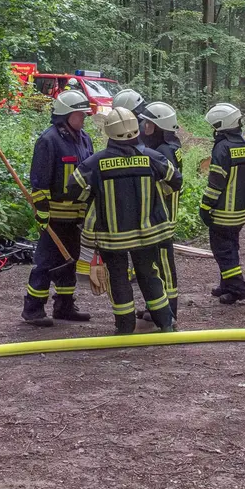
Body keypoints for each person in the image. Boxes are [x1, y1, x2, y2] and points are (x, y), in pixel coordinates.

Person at [73, 108, 180, 334]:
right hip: (148, 233)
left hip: (113, 238)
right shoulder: (153, 157)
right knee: (149, 274)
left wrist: (95, 196)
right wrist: (156, 191)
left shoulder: (95, 163)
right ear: (136, 130)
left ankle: (124, 327)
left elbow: (74, 190)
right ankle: (165, 323)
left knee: (118, 278)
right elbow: (175, 181)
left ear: (109, 133)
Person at [23, 89, 95, 326]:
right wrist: (42, 212)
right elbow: (40, 181)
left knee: (70, 261)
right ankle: (33, 309)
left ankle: (64, 306)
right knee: (45, 262)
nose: (84, 118)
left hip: (76, 216)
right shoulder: (49, 141)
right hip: (53, 217)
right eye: (80, 114)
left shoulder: (84, 139)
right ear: (66, 115)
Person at [199, 102, 245, 304]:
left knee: (223, 251)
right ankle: (225, 285)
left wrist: (205, 207)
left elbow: (215, 184)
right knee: (231, 246)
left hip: (223, 211)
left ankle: (237, 288)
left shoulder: (223, 148)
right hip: (240, 210)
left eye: (214, 126)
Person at [138, 101, 182, 318]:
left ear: (159, 127)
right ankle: (155, 306)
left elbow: (170, 184)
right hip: (160, 214)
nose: (145, 128)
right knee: (156, 263)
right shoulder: (169, 146)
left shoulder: (164, 151)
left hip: (163, 216)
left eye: (148, 125)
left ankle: (170, 309)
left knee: (164, 263)